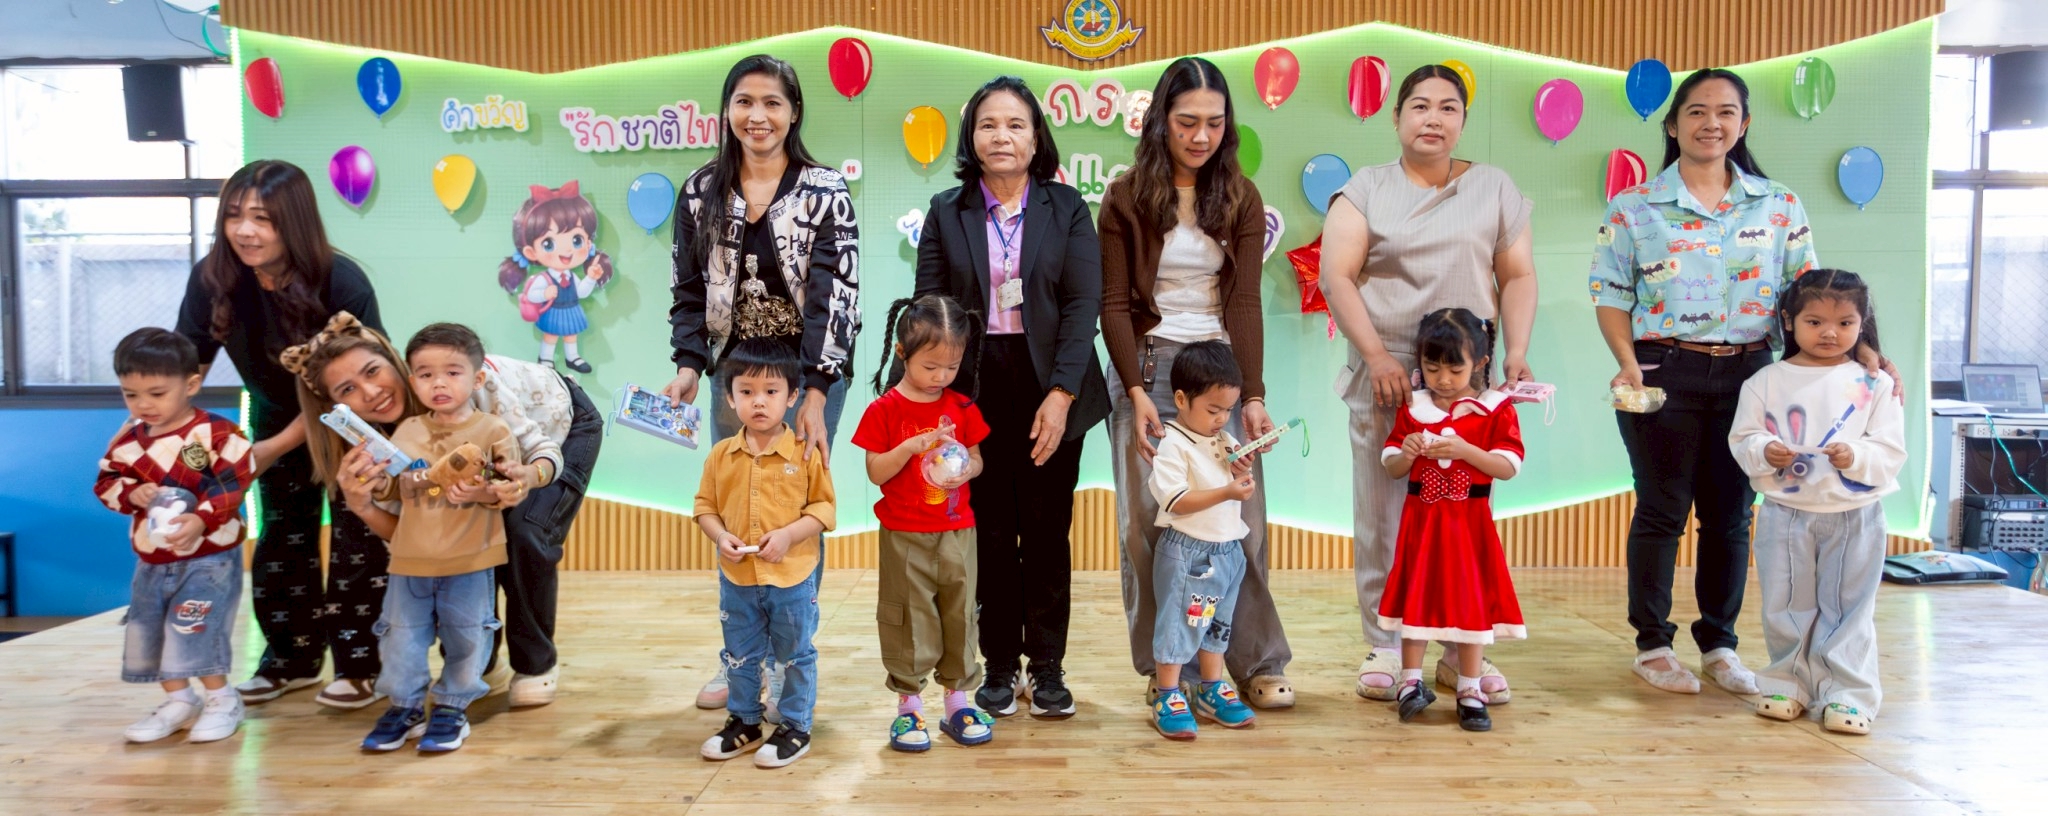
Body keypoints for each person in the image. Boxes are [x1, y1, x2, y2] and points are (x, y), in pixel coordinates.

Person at [1590, 68, 1889, 694]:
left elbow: (1813, 295)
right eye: (1697, 112)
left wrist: (1866, 349)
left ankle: (1719, 646)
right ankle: (1652, 644)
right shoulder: (1635, 206)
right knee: (1662, 509)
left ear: (1743, 124)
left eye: (1726, 112)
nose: (1712, 123)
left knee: (1731, 516)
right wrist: (1625, 360)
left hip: (1755, 374)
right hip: (1661, 368)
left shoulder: (1778, 204)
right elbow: (1612, 293)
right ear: (1673, 125)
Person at [1320, 65, 1536, 704]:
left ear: (1463, 120)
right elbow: (1337, 275)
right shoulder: (1366, 188)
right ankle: (1387, 644)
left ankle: (1461, 649)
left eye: (1448, 107)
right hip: (1387, 371)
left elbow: (1518, 275)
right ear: (1396, 117)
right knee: (1385, 514)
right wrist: (1376, 357)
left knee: (1462, 516)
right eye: (1419, 105)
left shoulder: (1494, 187)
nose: (1433, 118)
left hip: (1468, 377)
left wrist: (1517, 353)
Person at [665, 53, 860, 712]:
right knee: (737, 505)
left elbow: (838, 294)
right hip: (734, 373)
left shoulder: (824, 189)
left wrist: (818, 392)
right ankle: (742, 656)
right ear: (727, 111)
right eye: (744, 101)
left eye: (772, 102)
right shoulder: (700, 191)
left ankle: (786, 657)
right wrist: (688, 365)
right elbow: (688, 289)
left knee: (795, 515)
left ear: (794, 112)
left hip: (807, 377)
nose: (758, 115)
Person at [1098, 56, 1294, 710]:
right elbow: (1114, 305)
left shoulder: (1240, 196)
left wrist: (1254, 395)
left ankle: (1256, 661)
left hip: (1220, 372)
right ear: (1161, 120)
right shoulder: (1126, 197)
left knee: (1240, 520)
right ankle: (1168, 673)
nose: (1200, 135)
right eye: (1186, 121)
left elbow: (1245, 303)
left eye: (1213, 122)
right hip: (1149, 368)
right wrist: (1133, 391)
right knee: (1147, 525)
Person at [914, 75, 1111, 720]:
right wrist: (938, 401)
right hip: (975, 386)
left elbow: (1084, 304)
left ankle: (1048, 667)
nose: (1001, 136)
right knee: (991, 534)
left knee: (1048, 532)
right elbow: (929, 309)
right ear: (972, 136)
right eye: (988, 124)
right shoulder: (948, 211)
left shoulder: (1066, 206)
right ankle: (999, 664)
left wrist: (1061, 392)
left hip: (1052, 379)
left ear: (1035, 137)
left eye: (1015, 124)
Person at [288, 313, 601, 709]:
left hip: (558, 428)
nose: (370, 392)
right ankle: (482, 660)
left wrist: (527, 476)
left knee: (524, 532)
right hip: (493, 467)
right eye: (348, 389)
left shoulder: (476, 388)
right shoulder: (379, 444)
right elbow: (409, 534)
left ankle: (535, 664)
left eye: (373, 371)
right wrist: (361, 505)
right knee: (455, 544)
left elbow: (538, 449)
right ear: (335, 407)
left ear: (393, 361)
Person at [174, 159, 389, 709]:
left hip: (354, 421)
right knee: (281, 538)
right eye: (234, 216)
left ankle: (362, 666)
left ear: (293, 221)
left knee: (357, 541)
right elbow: (186, 366)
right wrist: (163, 432)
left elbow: (356, 389)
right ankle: (291, 661)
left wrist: (269, 450)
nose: (244, 231)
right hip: (274, 415)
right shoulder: (213, 279)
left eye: (262, 218)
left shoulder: (341, 281)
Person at [1729, 270, 1905, 735]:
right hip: (1785, 513)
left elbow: (1890, 449)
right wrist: (1765, 450)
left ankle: (1848, 694)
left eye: (1845, 323)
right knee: (1786, 604)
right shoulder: (1765, 381)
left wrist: (1856, 456)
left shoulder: (1875, 383)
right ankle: (1785, 684)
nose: (1830, 333)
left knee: (1849, 608)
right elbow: (1743, 437)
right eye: (1815, 322)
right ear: (1789, 321)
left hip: (1855, 515)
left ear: (1862, 323)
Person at [356, 324, 526, 754]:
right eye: (426, 374)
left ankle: (452, 706)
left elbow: (507, 489)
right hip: (409, 559)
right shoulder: (407, 430)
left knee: (468, 636)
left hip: (471, 558)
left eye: (452, 372)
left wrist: (481, 491)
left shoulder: (493, 431)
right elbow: (394, 490)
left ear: (477, 378)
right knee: (400, 638)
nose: (439, 383)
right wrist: (373, 482)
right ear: (412, 380)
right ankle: (405, 706)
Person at [96, 328, 254, 744]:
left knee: (193, 626)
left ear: (191, 384)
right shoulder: (127, 445)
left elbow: (235, 479)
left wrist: (202, 519)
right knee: (149, 630)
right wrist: (132, 493)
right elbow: (106, 483)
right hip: (153, 560)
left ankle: (222, 699)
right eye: (131, 394)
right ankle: (180, 700)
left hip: (209, 559)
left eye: (156, 393)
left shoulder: (217, 434)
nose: (143, 404)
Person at [854, 295, 994, 751]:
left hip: (958, 530)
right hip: (904, 534)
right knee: (908, 617)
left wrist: (966, 470)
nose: (941, 377)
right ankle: (909, 707)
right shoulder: (884, 410)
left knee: (960, 612)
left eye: (951, 367)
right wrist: (910, 448)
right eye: (931, 366)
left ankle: (957, 702)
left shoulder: (961, 407)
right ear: (902, 353)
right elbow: (876, 472)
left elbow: (977, 459)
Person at [1376, 309, 1527, 733]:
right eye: (1432, 368)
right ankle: (1410, 683)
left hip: (1469, 527)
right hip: (1421, 526)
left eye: (1455, 369)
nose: (1443, 379)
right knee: (1416, 597)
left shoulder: (1495, 410)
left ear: (1480, 362)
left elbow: (1507, 466)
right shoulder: (1413, 408)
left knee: (1470, 601)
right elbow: (1392, 466)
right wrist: (1406, 452)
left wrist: (1465, 451)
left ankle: (1470, 688)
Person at [693, 339, 837, 769]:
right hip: (738, 579)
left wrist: (790, 536)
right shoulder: (721, 455)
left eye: (771, 391)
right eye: (747, 391)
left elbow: (824, 510)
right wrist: (720, 536)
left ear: (792, 397)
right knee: (739, 654)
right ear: (730, 397)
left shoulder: (804, 452)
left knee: (794, 655)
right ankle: (745, 721)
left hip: (792, 579)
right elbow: (704, 508)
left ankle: (795, 726)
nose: (759, 402)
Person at [1143, 340, 1262, 740]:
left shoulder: (1222, 438)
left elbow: (1233, 477)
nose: (1221, 418)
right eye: (1213, 410)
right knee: (1179, 625)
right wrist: (1227, 491)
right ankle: (1168, 693)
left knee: (1217, 625)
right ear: (1181, 399)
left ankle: (1211, 688)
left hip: (1227, 551)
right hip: (1190, 553)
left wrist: (1241, 469)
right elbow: (1176, 501)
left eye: (1228, 409)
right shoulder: (1173, 445)